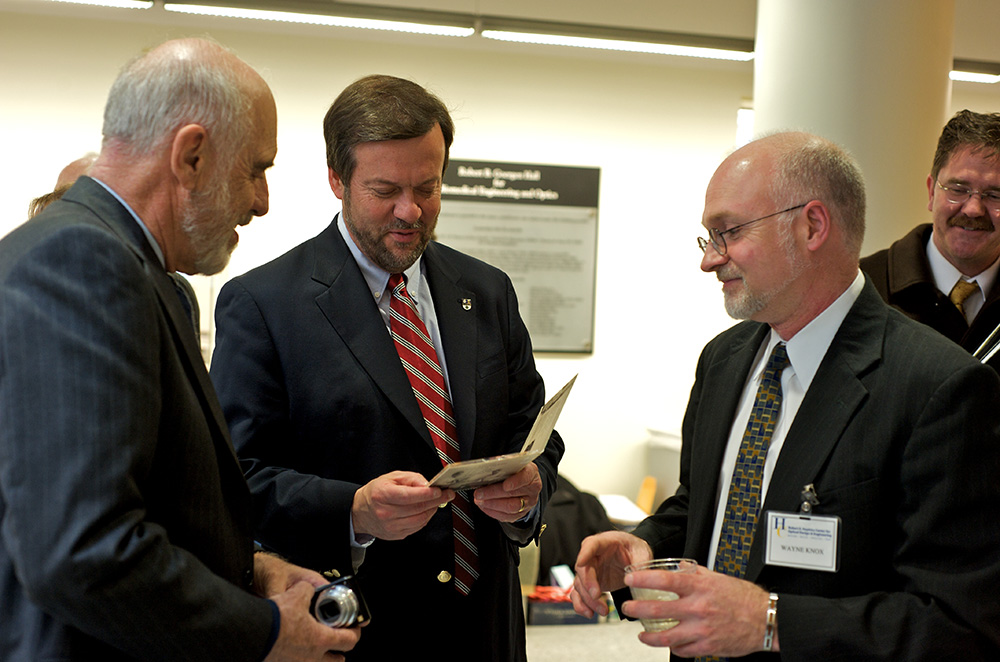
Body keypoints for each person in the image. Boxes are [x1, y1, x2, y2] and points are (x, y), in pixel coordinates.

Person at [571, 132, 1000, 660]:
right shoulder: (723, 360)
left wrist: (770, 622)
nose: (710, 260)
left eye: (727, 232)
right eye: (708, 237)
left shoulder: (937, 387)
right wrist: (647, 542)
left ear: (812, 225)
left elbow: (958, 624)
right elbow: (708, 502)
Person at [0, 38, 360, 661]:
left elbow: (155, 498)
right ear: (190, 156)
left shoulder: (144, 276)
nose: (262, 202)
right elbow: (82, 552)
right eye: (256, 169)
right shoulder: (83, 263)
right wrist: (266, 633)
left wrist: (251, 568)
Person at [209, 74, 564, 661]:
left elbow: (534, 434)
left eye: (428, 187)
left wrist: (531, 492)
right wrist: (353, 510)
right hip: (358, 629)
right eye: (385, 190)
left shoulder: (487, 290)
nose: (410, 211)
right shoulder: (265, 304)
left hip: (488, 627)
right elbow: (235, 480)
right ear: (336, 181)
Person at [860, 110, 1000, 365]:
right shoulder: (861, 287)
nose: (973, 209)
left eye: (995, 195)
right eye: (958, 189)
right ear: (931, 192)